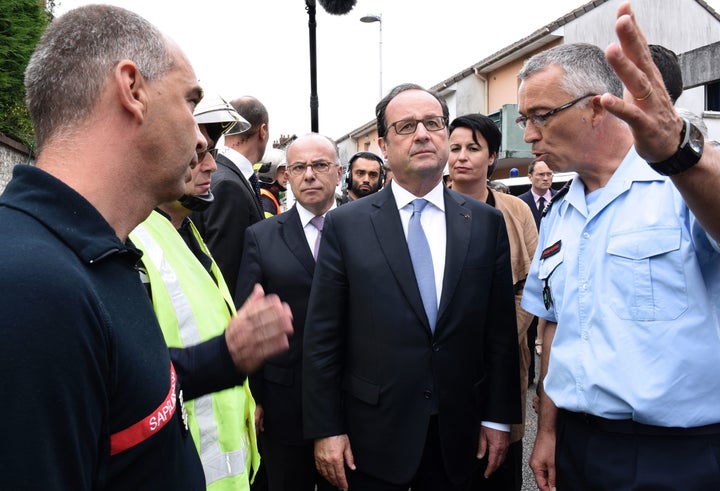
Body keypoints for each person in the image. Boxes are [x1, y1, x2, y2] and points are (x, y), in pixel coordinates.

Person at [0, 5, 287, 489]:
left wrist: (225, 357)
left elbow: (119, 383)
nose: (201, 139)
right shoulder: (32, 286)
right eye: (190, 103)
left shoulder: (94, 252)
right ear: (132, 89)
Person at [520, 4, 720, 490]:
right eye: (526, 119)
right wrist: (546, 431)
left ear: (596, 105)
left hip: (675, 454)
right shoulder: (561, 213)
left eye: (541, 116)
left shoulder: (685, 184)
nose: (528, 136)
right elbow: (554, 328)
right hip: (578, 444)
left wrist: (680, 155)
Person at [303, 83, 521, 491]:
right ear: (384, 145)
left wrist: (497, 417)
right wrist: (326, 428)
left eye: (433, 123)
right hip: (371, 438)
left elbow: (499, 331)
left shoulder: (484, 222)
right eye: (406, 126)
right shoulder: (346, 225)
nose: (423, 134)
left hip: (461, 435)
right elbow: (323, 337)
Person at [130, 96, 294, 490]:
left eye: (210, 153)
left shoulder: (189, 236)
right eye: (196, 154)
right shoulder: (136, 242)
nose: (210, 166)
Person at [236, 133, 341, 491]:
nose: (309, 175)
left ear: (339, 172)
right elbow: (247, 318)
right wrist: (256, 397)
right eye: (299, 167)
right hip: (283, 404)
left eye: (320, 165)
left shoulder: (363, 230)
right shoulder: (261, 237)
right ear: (288, 175)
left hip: (350, 404)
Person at [448, 113, 538, 491]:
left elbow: (532, 287)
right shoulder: (429, 209)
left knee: (498, 468)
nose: (461, 157)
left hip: (502, 359)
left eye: (473, 148)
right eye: (454, 148)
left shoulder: (516, 211)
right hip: (445, 364)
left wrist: (496, 338)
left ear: (492, 156)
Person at [192, 95, 269, 298]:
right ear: (263, 131)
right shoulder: (228, 185)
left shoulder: (224, 175)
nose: (209, 164)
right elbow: (225, 272)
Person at [517, 160, 555, 382]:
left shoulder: (562, 199)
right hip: (531, 269)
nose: (546, 178)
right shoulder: (520, 203)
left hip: (555, 269)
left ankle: (550, 377)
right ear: (530, 176)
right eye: (541, 174)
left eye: (549, 174)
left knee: (552, 323)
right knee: (529, 325)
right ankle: (530, 374)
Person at [256, 147, 288, 217]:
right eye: (283, 172)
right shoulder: (266, 201)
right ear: (270, 174)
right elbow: (266, 227)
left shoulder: (263, 195)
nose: (287, 176)